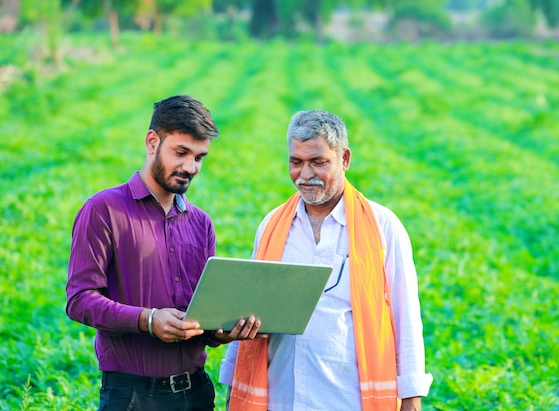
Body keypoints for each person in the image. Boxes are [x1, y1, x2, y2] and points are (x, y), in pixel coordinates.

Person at [219, 110, 433, 411]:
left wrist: (411, 400)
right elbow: (251, 306)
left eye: (318, 162)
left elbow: (405, 316)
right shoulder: (273, 225)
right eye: (296, 162)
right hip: (282, 397)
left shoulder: (383, 226)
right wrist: (232, 387)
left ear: (344, 159)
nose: (305, 175)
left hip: (348, 399)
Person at [66, 95, 263, 411]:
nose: (190, 167)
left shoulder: (201, 223)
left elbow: (200, 315)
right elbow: (79, 300)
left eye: (199, 158)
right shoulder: (103, 209)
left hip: (197, 392)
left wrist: (223, 330)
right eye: (181, 153)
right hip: (132, 396)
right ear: (152, 141)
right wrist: (148, 319)